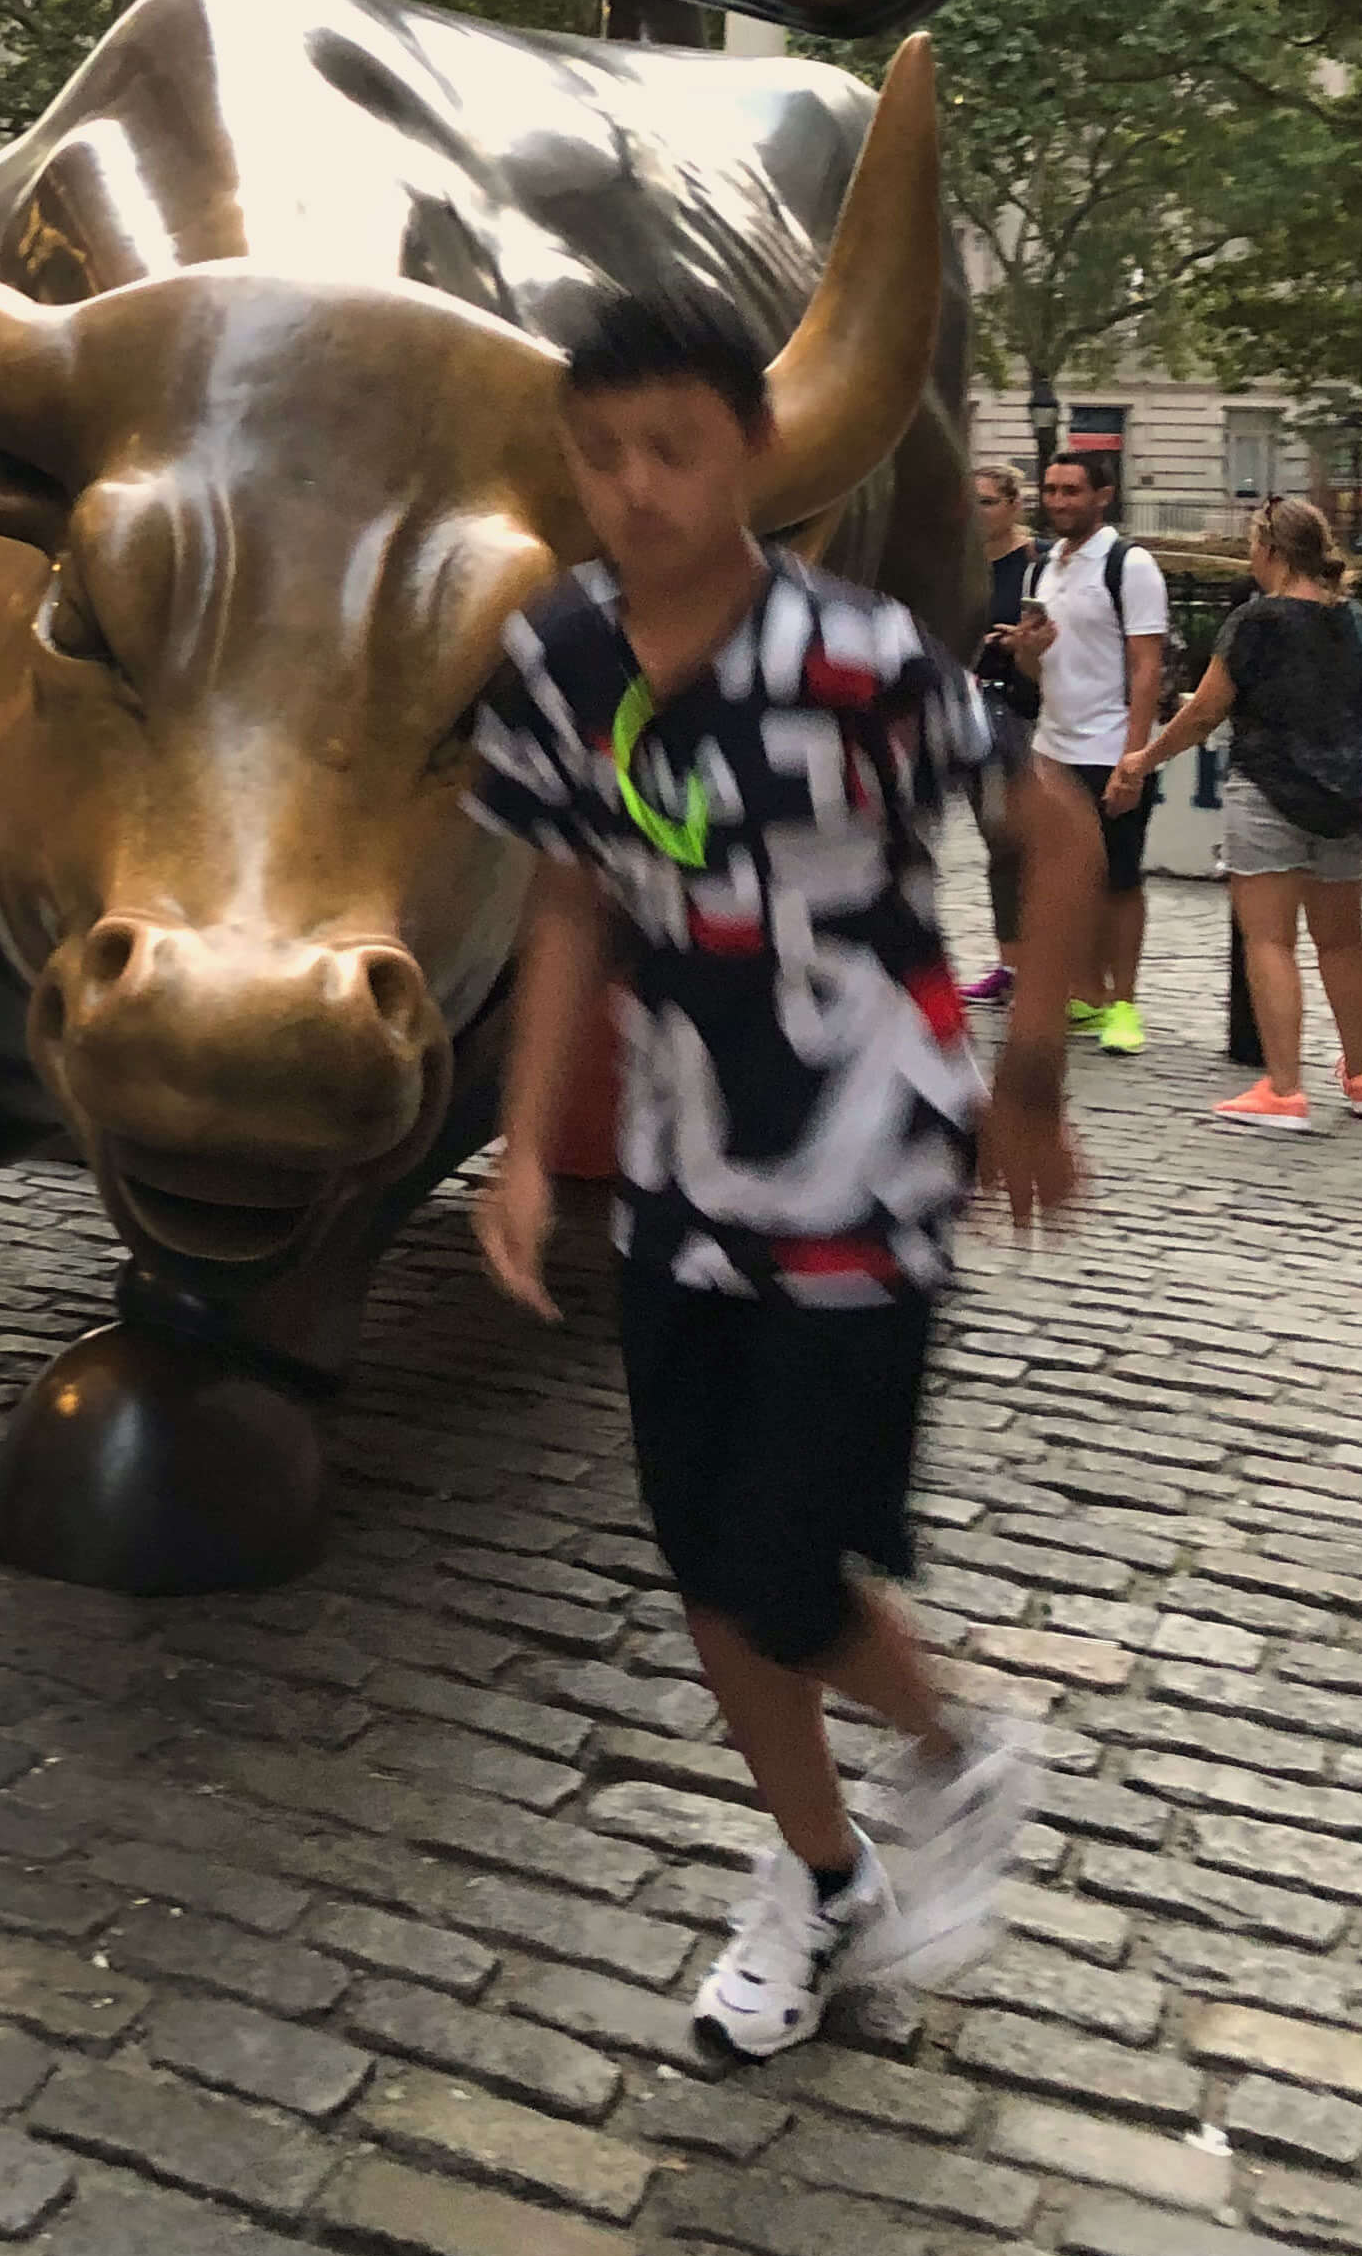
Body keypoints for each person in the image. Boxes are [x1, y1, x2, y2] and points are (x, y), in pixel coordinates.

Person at [469, 291, 1098, 2063]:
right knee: (696, 1561)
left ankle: (957, 1746)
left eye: (668, 444)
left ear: (746, 442)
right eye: (598, 453)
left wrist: (1029, 1077)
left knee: (776, 1561)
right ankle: (818, 1877)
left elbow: (1045, 827)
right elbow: (563, 894)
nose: (633, 485)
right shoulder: (558, 660)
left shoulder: (855, 650)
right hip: (675, 1164)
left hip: (861, 1155)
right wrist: (523, 1145)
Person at [1118, 492, 1362, 1132]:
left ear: (1269, 549)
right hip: (1344, 799)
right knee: (1344, 940)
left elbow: (1207, 710)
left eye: (1251, 544)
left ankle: (1285, 1088)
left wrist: (1144, 758)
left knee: (1270, 940)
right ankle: (1361, 1078)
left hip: (1269, 794)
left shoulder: (1255, 621)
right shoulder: (1355, 620)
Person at [1009, 447, 1168, 1057]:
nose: (1057, 502)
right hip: (1052, 742)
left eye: (1071, 491)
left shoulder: (1130, 565)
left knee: (1121, 879)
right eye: (1049, 490)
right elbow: (1034, 666)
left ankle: (1124, 1003)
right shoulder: (1042, 567)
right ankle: (1085, 989)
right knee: (1064, 876)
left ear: (1102, 496)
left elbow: (1147, 666)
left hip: (1111, 742)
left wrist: (1134, 758)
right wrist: (1028, 648)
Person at [962, 463, 1038, 1009]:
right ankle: (1010, 962)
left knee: (1031, 839)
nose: (976, 512)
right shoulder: (958, 561)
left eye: (987, 502)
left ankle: (1051, 963)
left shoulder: (1036, 562)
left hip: (1026, 707)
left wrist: (1024, 643)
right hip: (971, 702)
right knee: (998, 843)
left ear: (1014, 505)